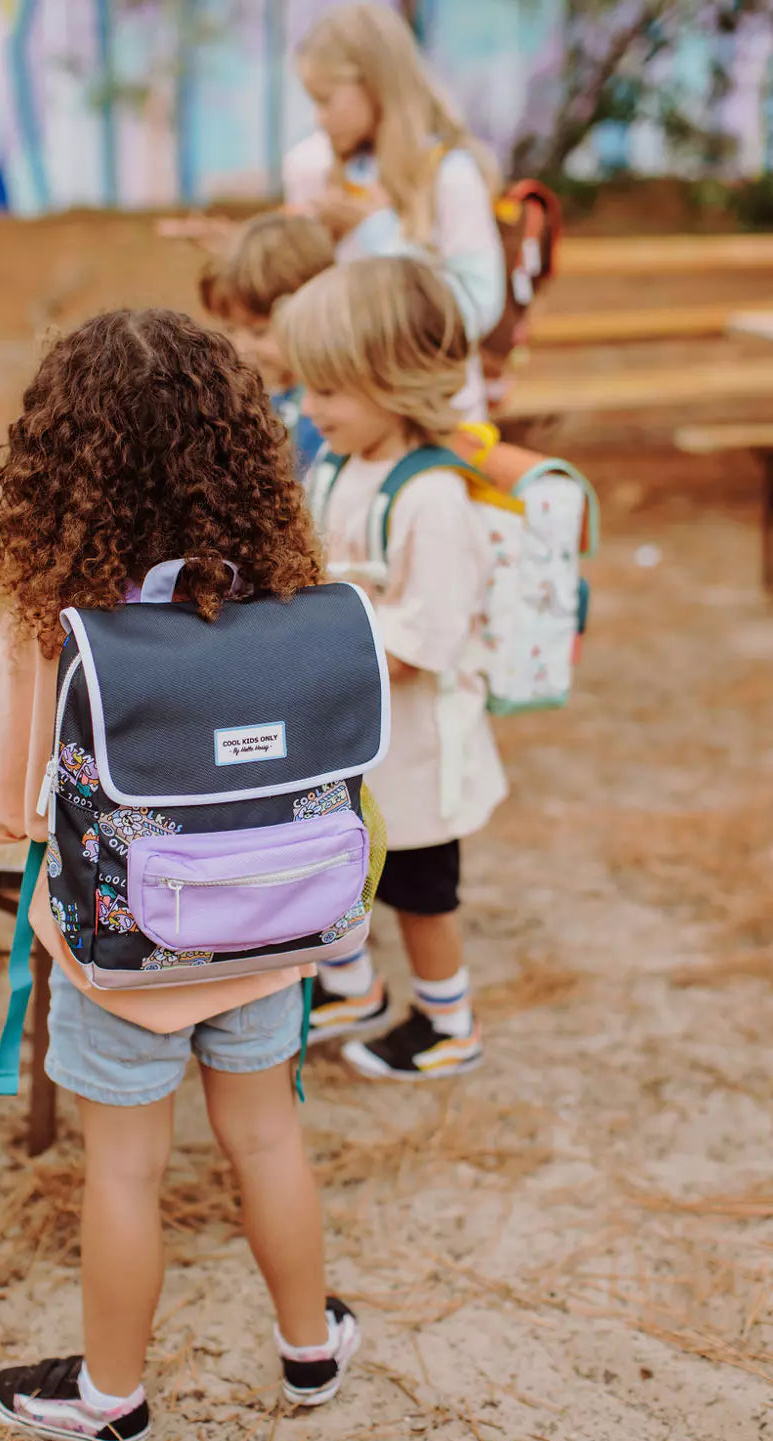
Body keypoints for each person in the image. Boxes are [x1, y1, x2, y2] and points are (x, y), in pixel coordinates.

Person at [0, 310, 360, 1441]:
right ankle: (308, 1350)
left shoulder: (60, 630)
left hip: (125, 955)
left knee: (123, 1171)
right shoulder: (286, 607)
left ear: (55, 465)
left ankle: (110, 1397)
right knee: (269, 1139)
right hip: (275, 930)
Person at [276, 255, 507, 1081]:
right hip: (351, 737)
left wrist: (318, 642)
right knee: (340, 867)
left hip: (410, 751)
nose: (308, 409)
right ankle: (352, 986)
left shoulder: (432, 500)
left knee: (417, 890)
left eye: (328, 392)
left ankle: (448, 1022)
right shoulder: (341, 465)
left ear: (396, 381)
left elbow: (419, 646)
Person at [284, 2, 505, 422]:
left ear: (375, 83)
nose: (319, 118)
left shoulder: (449, 176)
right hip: (350, 420)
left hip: (435, 422)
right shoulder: (317, 169)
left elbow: (477, 306)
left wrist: (376, 232)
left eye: (326, 100)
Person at [199, 211, 334, 477]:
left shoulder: (328, 412)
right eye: (230, 329)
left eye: (259, 332)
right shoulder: (266, 397)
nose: (241, 347)